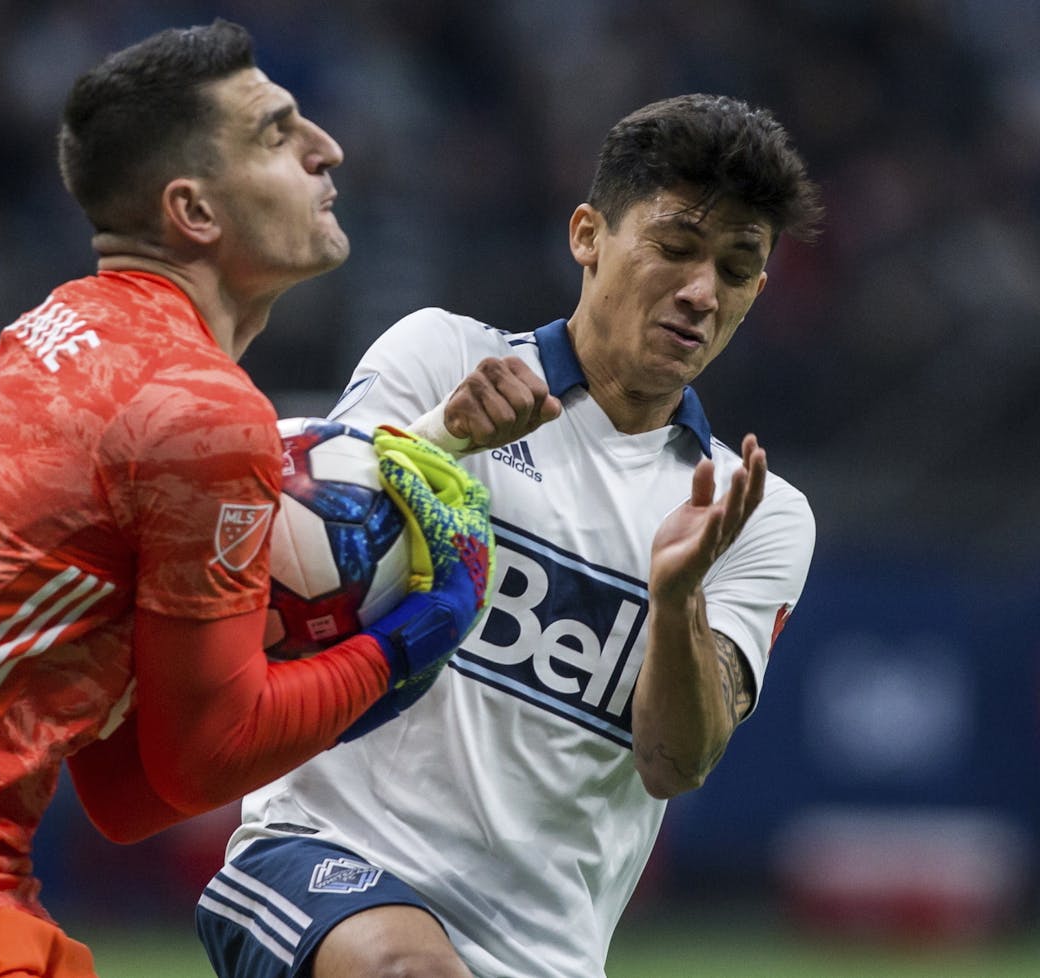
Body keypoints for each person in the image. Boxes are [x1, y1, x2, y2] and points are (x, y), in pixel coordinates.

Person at [0, 20, 496, 978]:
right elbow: (210, 754)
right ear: (193, 212)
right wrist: (409, 639)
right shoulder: (198, 412)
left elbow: (131, 792)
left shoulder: (74, 327)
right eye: (277, 133)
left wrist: (316, 665)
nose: (326, 146)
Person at [196, 92, 825, 977]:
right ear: (587, 235)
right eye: (676, 247)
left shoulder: (754, 512)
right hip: (321, 864)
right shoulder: (445, 359)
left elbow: (674, 762)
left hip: (544, 955)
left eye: (735, 268)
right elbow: (301, 545)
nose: (699, 291)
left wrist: (675, 599)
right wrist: (438, 442)